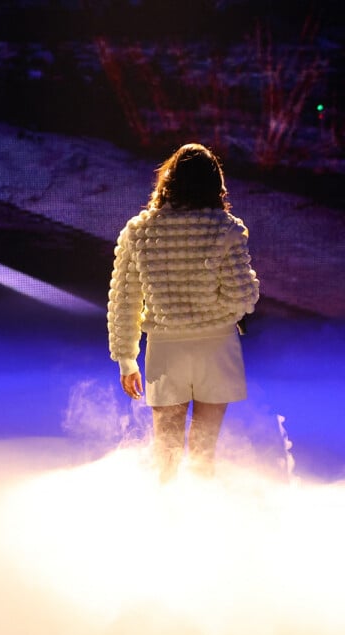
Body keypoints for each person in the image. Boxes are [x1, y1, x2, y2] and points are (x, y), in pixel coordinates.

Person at [107, 143, 260, 480]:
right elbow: (243, 295)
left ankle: (166, 521)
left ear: (168, 181)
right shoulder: (226, 229)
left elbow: (124, 299)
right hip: (217, 348)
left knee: (166, 451)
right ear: (214, 183)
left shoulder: (139, 231)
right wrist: (213, 309)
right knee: (204, 453)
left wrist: (126, 359)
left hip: (166, 349)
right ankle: (200, 523)